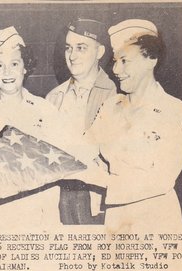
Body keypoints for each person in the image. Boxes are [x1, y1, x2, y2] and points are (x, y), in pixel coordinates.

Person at [66, 19, 182, 231]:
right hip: (116, 219)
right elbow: (86, 147)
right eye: (114, 61)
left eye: (125, 61)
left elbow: (161, 180)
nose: (116, 69)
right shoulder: (111, 106)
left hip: (156, 220)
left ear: (151, 59)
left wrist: (100, 180)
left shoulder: (177, 112)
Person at [0, 26, 61, 228]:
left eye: (14, 63)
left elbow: (56, 168)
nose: (7, 72)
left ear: (25, 67)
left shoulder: (45, 110)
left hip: (35, 215)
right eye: (0, 66)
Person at [46, 18, 116, 225]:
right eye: (68, 48)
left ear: (100, 52)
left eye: (81, 48)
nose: (72, 55)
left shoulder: (116, 94)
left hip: (98, 199)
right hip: (59, 196)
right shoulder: (53, 97)